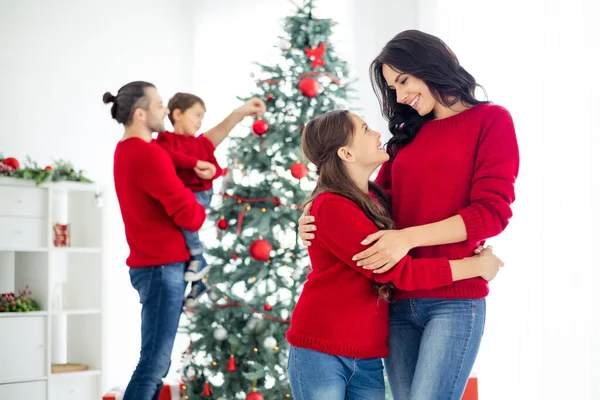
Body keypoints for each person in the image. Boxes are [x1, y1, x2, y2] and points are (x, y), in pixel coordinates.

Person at [298, 30, 519, 400]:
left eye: (403, 81)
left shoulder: (491, 121)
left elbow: (491, 212)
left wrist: (409, 238)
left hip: (455, 300)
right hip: (398, 301)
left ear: (429, 65)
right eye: (392, 88)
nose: (399, 96)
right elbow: (369, 201)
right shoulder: (408, 137)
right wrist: (311, 212)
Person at [287, 109, 504, 400]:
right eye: (365, 129)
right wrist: (476, 266)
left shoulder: (375, 201)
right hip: (322, 351)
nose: (377, 134)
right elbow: (398, 271)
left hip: (366, 357)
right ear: (346, 154)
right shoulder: (332, 207)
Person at [104, 81, 206, 400]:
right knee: (153, 364)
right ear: (139, 113)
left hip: (154, 266)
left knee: (154, 362)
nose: (165, 109)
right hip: (162, 269)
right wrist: (199, 197)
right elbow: (191, 216)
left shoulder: (126, 150)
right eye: (159, 104)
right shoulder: (148, 155)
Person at [155, 93, 265, 306]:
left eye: (202, 117)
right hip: (184, 198)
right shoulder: (165, 141)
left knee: (186, 224)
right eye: (196, 115)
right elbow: (169, 155)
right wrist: (195, 163)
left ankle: (198, 259)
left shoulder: (201, 143)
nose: (199, 121)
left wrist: (211, 170)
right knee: (183, 231)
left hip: (199, 195)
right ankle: (199, 282)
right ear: (177, 114)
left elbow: (215, 167)